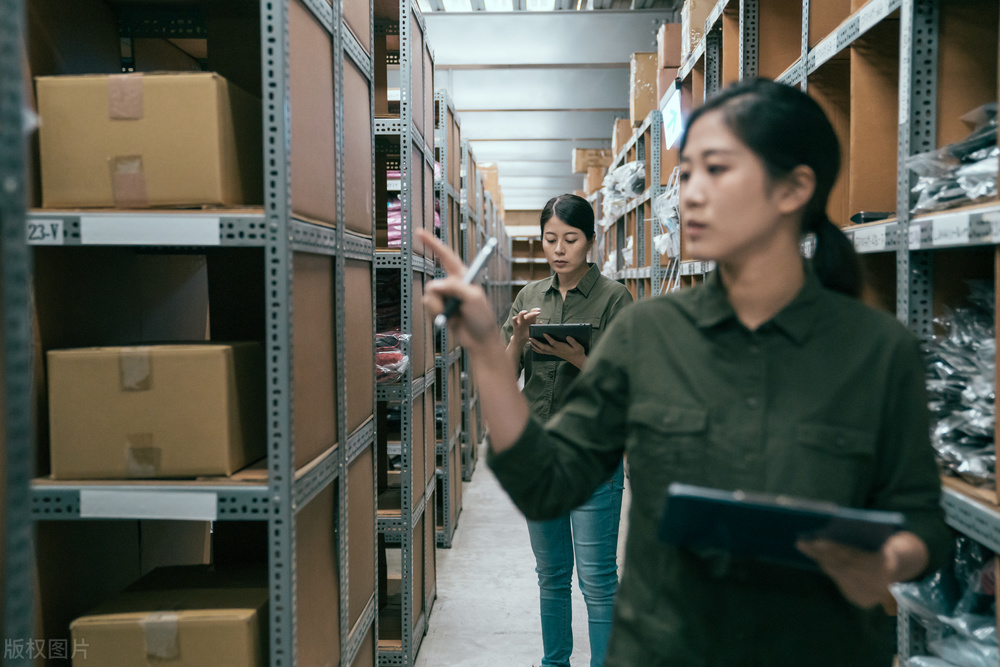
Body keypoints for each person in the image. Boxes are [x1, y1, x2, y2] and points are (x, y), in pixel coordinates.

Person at [418, 78, 951, 666]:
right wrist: (489, 353)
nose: (689, 195)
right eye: (686, 173)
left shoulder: (878, 351)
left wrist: (887, 558)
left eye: (716, 170)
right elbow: (549, 481)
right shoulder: (650, 336)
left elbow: (921, 520)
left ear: (794, 187)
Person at [499, 194, 632, 667]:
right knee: (550, 573)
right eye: (550, 239)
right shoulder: (528, 298)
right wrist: (517, 337)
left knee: (597, 579)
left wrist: (577, 357)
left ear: (591, 241)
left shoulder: (615, 297)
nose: (559, 249)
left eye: (570, 239)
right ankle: (553, 662)